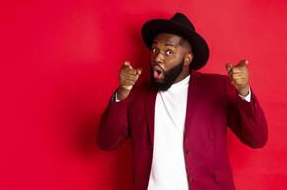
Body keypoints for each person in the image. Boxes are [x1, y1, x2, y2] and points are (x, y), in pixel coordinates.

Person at [97, 12, 268, 190]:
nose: (158, 58)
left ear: (187, 58)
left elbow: (257, 139)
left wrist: (243, 90)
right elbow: (107, 141)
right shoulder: (137, 95)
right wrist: (123, 90)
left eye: (168, 51)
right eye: (155, 50)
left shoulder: (218, 88)